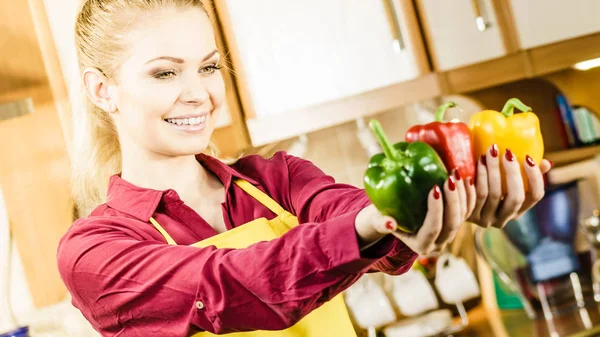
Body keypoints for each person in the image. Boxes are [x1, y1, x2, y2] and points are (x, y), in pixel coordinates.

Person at [56, 0, 551, 336]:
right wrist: (372, 225)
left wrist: (444, 203)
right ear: (102, 89)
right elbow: (226, 283)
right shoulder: (94, 253)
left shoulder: (277, 179)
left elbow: (366, 216)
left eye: (207, 67)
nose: (199, 93)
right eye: (165, 72)